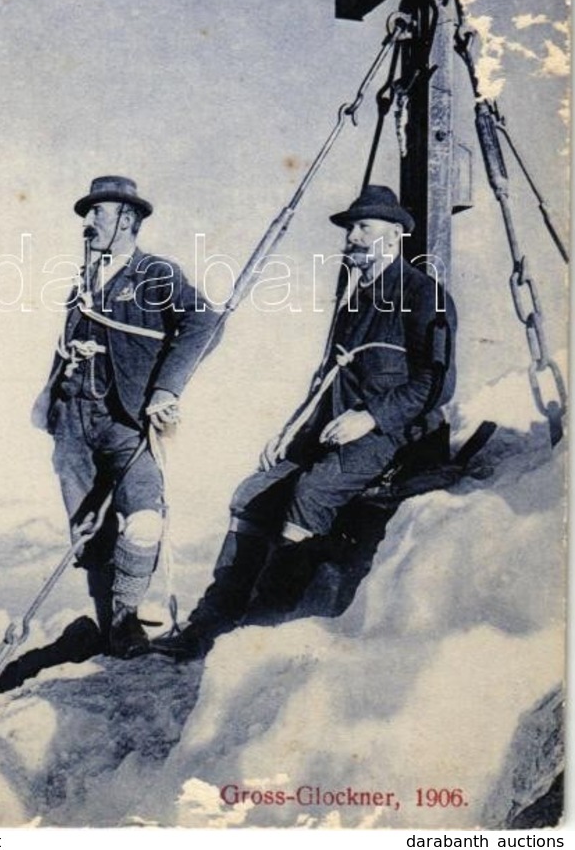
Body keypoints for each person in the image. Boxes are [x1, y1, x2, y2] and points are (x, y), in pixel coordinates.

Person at [156, 184, 457, 660]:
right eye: (351, 228)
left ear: (396, 235)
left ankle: (260, 629)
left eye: (364, 227)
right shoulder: (357, 300)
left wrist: (370, 417)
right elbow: (330, 381)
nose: (352, 237)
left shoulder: (424, 295)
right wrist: (290, 434)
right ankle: (209, 624)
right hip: (333, 429)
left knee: (309, 496)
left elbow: (435, 385)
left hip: (394, 436)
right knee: (251, 493)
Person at [32, 175, 218, 660]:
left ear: (128, 219)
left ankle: (126, 617)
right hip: (73, 420)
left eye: (99, 212)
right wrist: (53, 406)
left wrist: (166, 388)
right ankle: (110, 628)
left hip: (125, 422)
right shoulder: (81, 280)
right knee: (89, 533)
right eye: (88, 213)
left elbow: (205, 320)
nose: (88, 222)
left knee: (143, 519)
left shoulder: (156, 273)